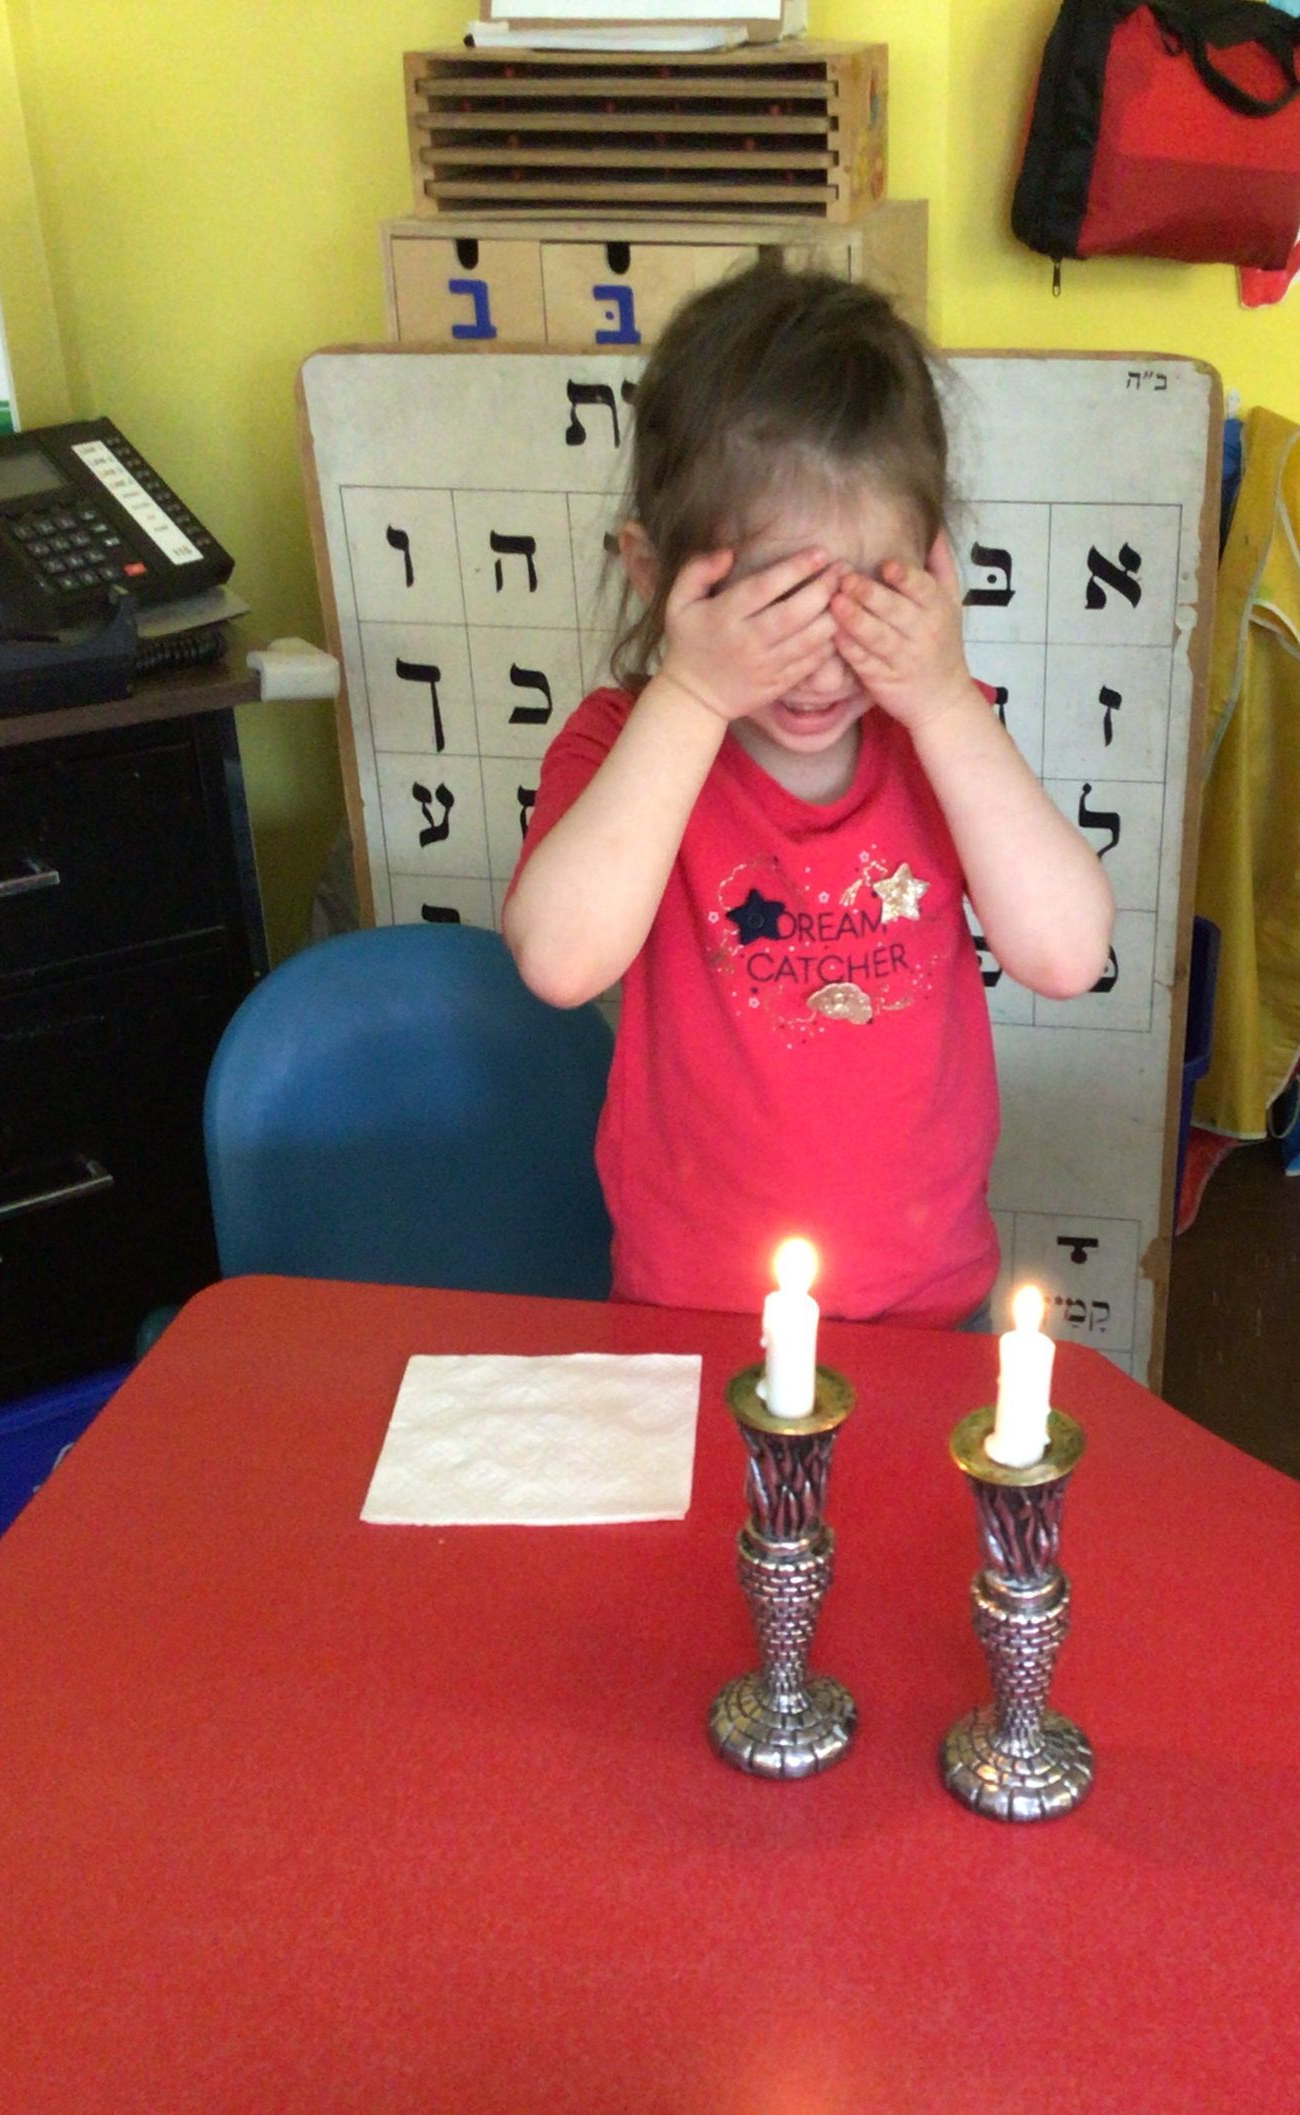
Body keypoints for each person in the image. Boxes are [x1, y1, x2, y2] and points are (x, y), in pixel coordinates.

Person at [502, 267, 1112, 1326]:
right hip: (691, 1317)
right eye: (776, 608)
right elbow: (560, 961)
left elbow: (1065, 954)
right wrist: (692, 690)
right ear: (655, 576)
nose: (826, 668)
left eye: (868, 603)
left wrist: (946, 700)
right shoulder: (623, 749)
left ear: (931, 572)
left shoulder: (939, 738)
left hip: (926, 1313)